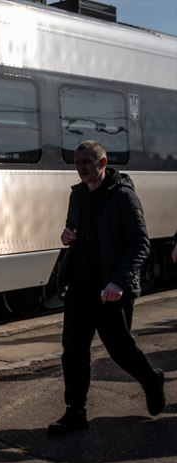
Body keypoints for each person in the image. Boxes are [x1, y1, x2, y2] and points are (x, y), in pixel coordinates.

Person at [49, 140, 165, 436]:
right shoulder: (77, 196)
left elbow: (141, 244)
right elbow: (72, 231)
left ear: (102, 163)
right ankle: (75, 412)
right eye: (77, 163)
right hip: (80, 287)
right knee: (73, 351)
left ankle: (151, 379)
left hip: (111, 289)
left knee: (120, 350)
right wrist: (67, 236)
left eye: (87, 162)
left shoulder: (123, 196)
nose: (81, 168)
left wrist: (118, 281)